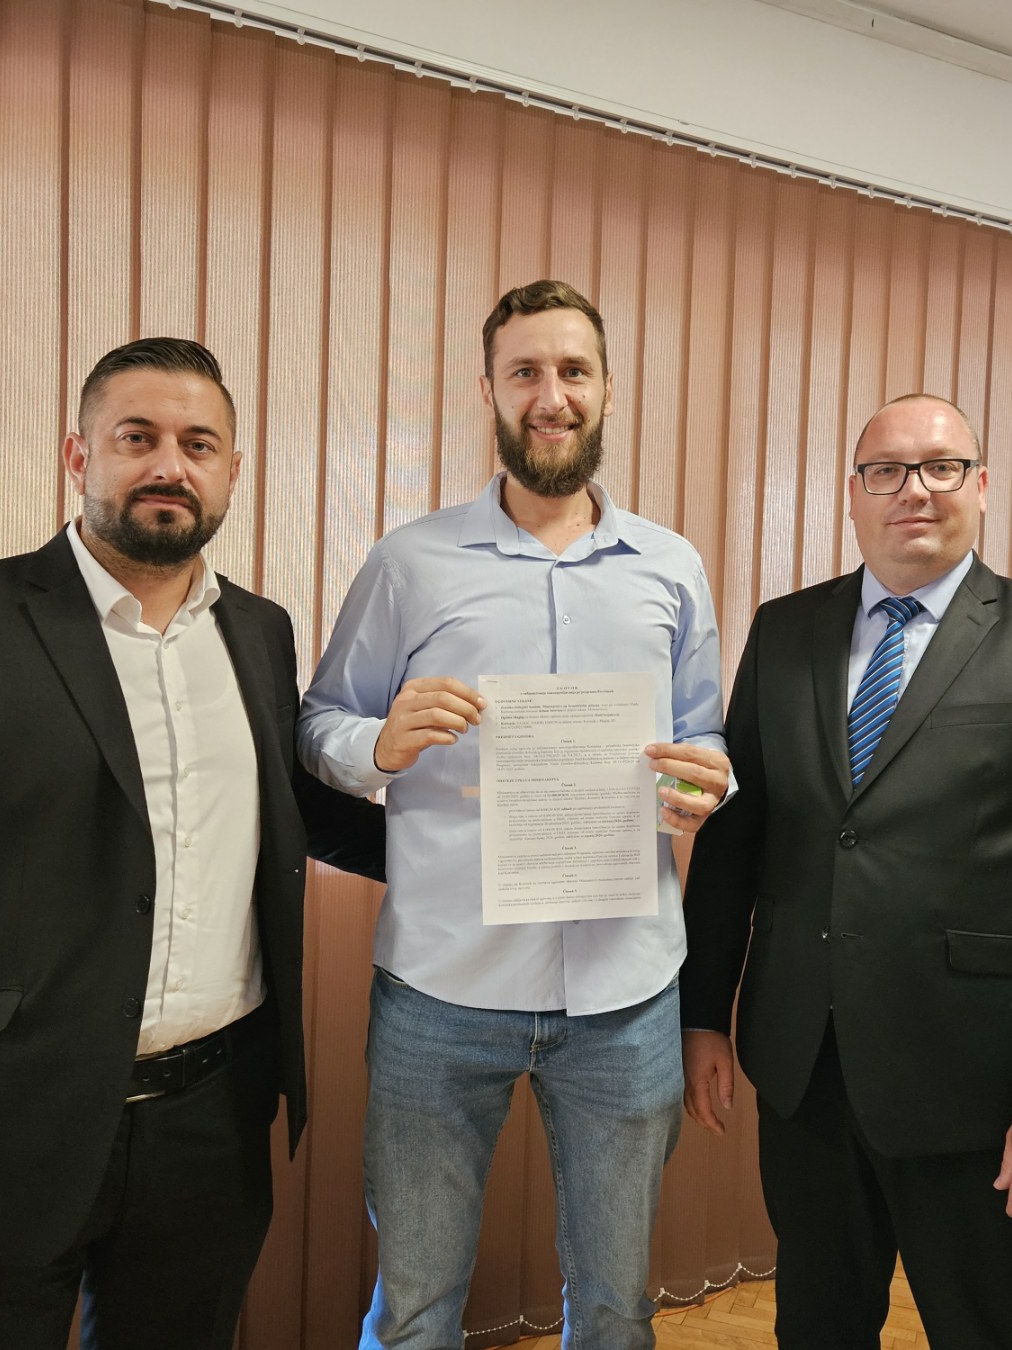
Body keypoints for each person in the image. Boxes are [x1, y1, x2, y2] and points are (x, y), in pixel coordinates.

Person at [0, 337, 386, 1350]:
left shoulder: (260, 630)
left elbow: (293, 811)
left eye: (199, 444)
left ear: (233, 470)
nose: (169, 465)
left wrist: (480, 840)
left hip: (211, 1127)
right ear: (79, 456)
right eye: (136, 437)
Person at [298, 279, 731, 1350]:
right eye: (525, 372)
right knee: (415, 1307)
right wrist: (377, 746)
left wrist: (708, 779)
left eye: (573, 371)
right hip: (441, 991)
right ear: (488, 391)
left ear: (608, 390)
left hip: (627, 993)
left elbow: (706, 733)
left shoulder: (671, 566)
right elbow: (318, 724)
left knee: (619, 1309)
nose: (551, 396)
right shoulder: (410, 562)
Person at [678, 393, 1012, 1349]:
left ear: (982, 485)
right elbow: (738, 843)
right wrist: (702, 1014)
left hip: (976, 1087)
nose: (915, 491)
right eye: (887, 471)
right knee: (816, 1328)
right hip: (805, 1070)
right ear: (854, 493)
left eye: (942, 467)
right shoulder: (785, 630)